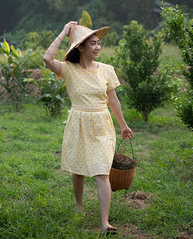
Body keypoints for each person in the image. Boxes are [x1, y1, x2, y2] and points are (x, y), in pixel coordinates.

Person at [43, 21, 133, 235]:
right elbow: (47, 58)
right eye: (92, 44)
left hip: (102, 123)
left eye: (98, 43)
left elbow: (114, 101)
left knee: (102, 172)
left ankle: (105, 222)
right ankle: (79, 206)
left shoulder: (107, 70)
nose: (97, 47)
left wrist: (123, 125)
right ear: (80, 47)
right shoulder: (68, 70)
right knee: (79, 168)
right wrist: (64, 32)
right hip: (79, 122)